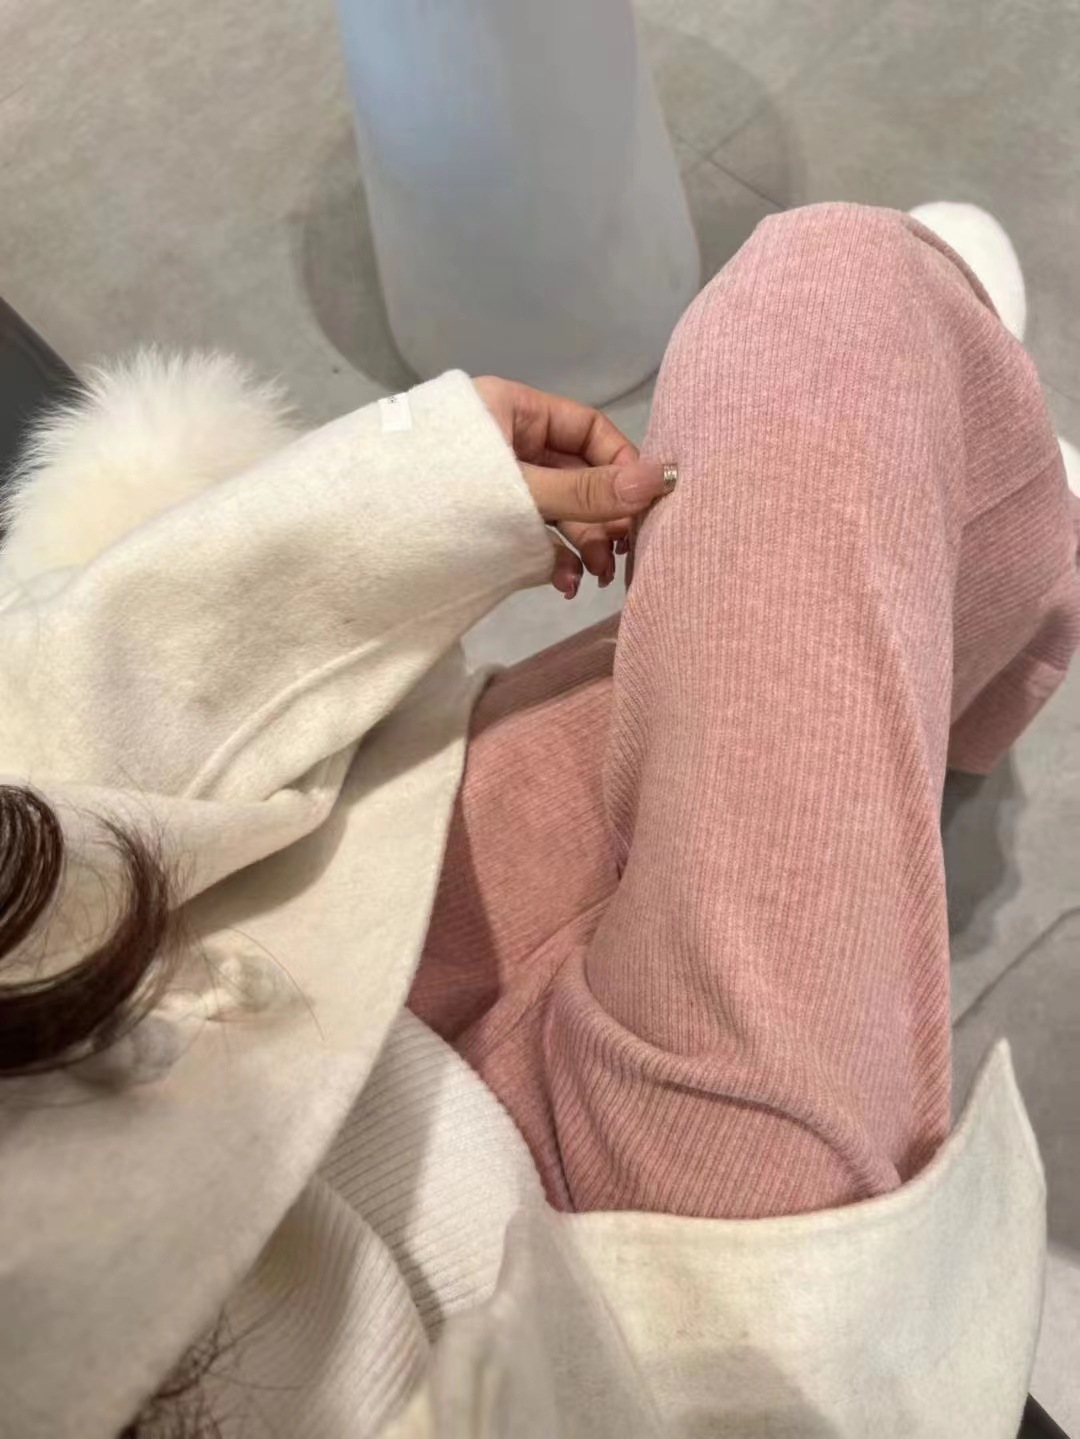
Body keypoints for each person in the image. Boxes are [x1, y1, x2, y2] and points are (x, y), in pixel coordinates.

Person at [0, 202, 1077, 1439]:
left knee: (827, 327)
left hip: (291, 921)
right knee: (857, 313)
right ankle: (969, 628)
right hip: (614, 1321)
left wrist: (397, 501)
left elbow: (31, 763)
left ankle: (956, 645)